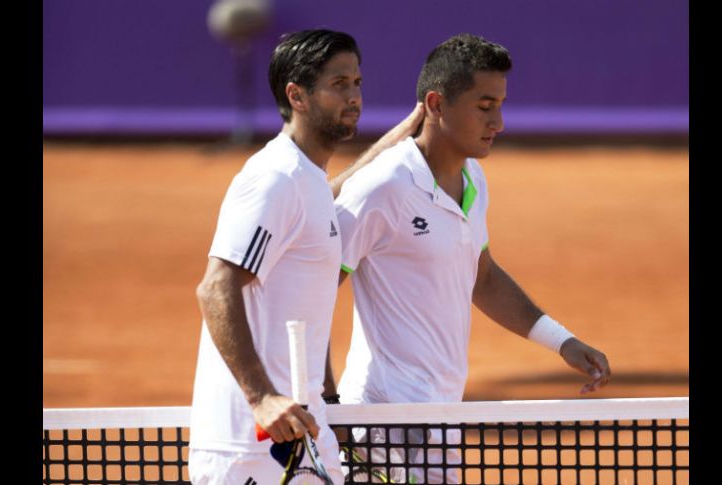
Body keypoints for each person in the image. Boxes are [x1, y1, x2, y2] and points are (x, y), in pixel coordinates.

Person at [330, 34, 612, 483]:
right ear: (437, 104)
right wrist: (331, 408)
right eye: (484, 106)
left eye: (500, 105)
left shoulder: (474, 178)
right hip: (380, 421)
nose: (498, 121)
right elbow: (313, 290)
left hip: (441, 418)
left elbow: (482, 279)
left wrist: (561, 340)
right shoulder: (383, 187)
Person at [188, 29, 423, 485]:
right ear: (296, 95)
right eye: (339, 85)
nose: (354, 96)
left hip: (303, 431)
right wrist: (261, 398)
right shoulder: (274, 178)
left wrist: (396, 144)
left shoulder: (306, 180)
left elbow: (321, 200)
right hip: (250, 446)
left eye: (356, 83)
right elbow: (215, 285)